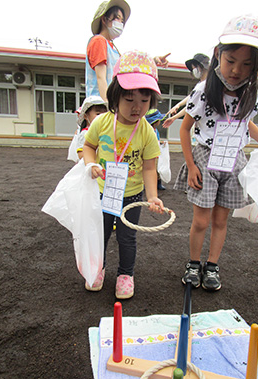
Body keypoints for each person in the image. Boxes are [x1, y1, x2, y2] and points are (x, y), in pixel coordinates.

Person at [174, 14, 258, 292]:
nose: (236, 70)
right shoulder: (203, 91)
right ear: (218, 55)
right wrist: (191, 164)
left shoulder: (250, 94)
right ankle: (194, 264)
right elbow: (184, 130)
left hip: (234, 160)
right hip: (206, 158)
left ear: (255, 66)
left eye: (246, 64)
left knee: (220, 220)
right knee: (201, 220)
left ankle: (212, 266)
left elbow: (246, 123)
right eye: (231, 61)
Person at [83, 50, 164, 299]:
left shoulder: (147, 132)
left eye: (144, 99)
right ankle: (98, 268)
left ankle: (125, 275)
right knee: (102, 234)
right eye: (129, 99)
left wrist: (152, 196)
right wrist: (90, 165)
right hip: (102, 192)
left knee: (128, 238)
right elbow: (89, 146)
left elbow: (150, 168)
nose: (136, 107)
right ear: (115, 96)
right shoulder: (102, 123)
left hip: (131, 195)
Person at [86, 0, 170, 102]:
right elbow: (101, 77)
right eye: (117, 18)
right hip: (98, 104)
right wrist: (107, 105)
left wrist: (154, 61)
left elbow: (129, 67)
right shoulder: (98, 41)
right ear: (104, 19)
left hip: (112, 103)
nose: (120, 24)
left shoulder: (113, 48)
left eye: (122, 21)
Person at [163, 53, 210, 129]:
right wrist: (178, 105)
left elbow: (191, 105)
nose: (194, 70)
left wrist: (174, 117)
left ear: (200, 66)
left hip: (205, 129)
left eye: (194, 67)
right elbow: (192, 97)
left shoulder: (206, 86)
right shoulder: (201, 85)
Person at [145, 109, 167, 190]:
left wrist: (160, 142)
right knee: (150, 169)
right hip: (150, 153)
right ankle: (148, 184)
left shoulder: (155, 130)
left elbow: (156, 140)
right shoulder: (148, 130)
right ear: (155, 121)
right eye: (159, 120)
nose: (160, 122)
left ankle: (158, 183)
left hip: (156, 153)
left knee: (158, 169)